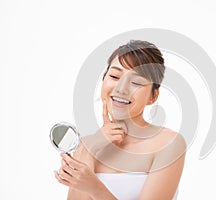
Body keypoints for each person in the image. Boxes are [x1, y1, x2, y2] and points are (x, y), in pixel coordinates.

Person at [54, 40, 186, 200]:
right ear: (104, 80)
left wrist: (94, 187)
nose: (121, 88)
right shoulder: (89, 144)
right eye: (115, 76)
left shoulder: (168, 143)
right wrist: (89, 150)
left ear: (153, 96)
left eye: (136, 82)